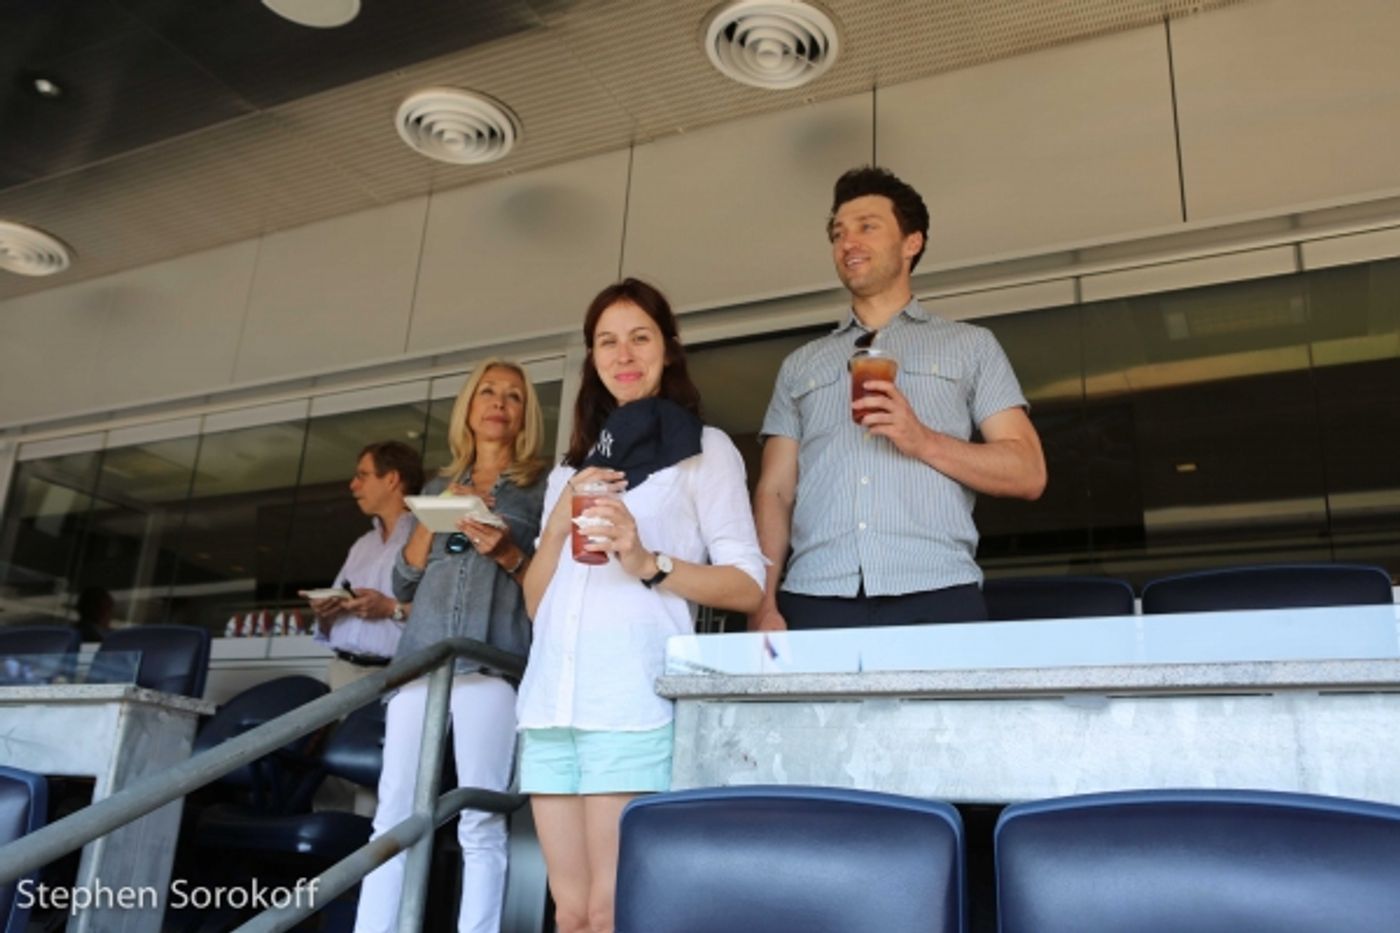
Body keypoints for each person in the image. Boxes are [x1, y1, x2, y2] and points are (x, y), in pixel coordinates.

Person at [517, 278, 765, 933]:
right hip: (549, 705)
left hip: (629, 705)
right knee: (569, 913)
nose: (623, 353)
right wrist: (556, 522)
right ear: (592, 358)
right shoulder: (569, 471)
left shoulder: (703, 450)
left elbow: (747, 583)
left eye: (639, 337)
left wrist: (645, 560)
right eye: (607, 341)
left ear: (668, 349)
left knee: (612, 912)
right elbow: (538, 603)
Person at [750, 166, 1047, 632]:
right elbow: (776, 491)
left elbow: (1029, 472)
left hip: (937, 591)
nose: (848, 242)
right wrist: (762, 603)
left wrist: (922, 439)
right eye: (838, 233)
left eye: (867, 227)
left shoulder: (970, 346)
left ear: (912, 243)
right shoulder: (801, 365)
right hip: (815, 595)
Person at [353, 359, 547, 933]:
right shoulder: (438, 487)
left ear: (524, 414)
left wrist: (507, 551)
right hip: (422, 664)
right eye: (488, 391)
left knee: (480, 822)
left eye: (513, 396)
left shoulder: (539, 490)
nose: (499, 402)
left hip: (490, 665)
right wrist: (435, 525)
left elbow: (546, 584)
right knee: (393, 816)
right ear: (469, 405)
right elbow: (403, 584)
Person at [308, 441, 424, 690]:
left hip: (399, 678)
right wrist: (325, 612)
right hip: (339, 672)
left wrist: (391, 608)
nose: (353, 485)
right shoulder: (362, 544)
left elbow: (446, 614)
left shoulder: (427, 538)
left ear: (392, 479)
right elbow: (329, 626)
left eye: (363, 475)